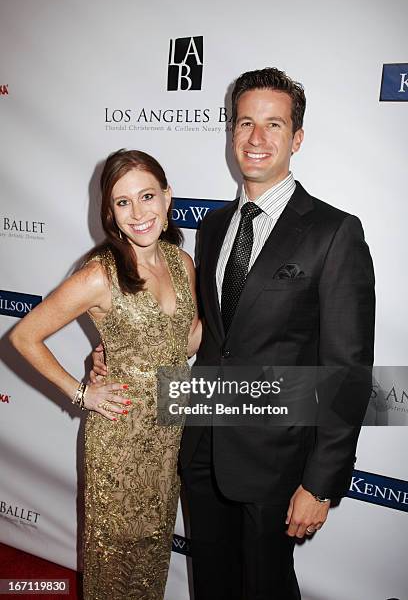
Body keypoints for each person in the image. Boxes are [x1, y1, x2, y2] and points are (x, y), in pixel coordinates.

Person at [92, 69, 375, 599]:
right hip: (202, 442)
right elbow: (204, 333)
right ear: (231, 131)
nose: (256, 139)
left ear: (297, 138)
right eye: (245, 122)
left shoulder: (334, 232)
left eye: (274, 125)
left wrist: (321, 482)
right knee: (214, 584)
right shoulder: (216, 226)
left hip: (278, 457)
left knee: (266, 587)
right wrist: (120, 354)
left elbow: (349, 371)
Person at [10, 149, 201, 600]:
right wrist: (82, 393)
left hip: (167, 434)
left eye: (147, 196)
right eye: (122, 202)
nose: (138, 213)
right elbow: (24, 337)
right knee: (113, 565)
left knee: (153, 556)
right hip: (119, 441)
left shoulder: (180, 262)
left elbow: (187, 341)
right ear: (109, 212)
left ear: (168, 197)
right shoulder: (100, 274)